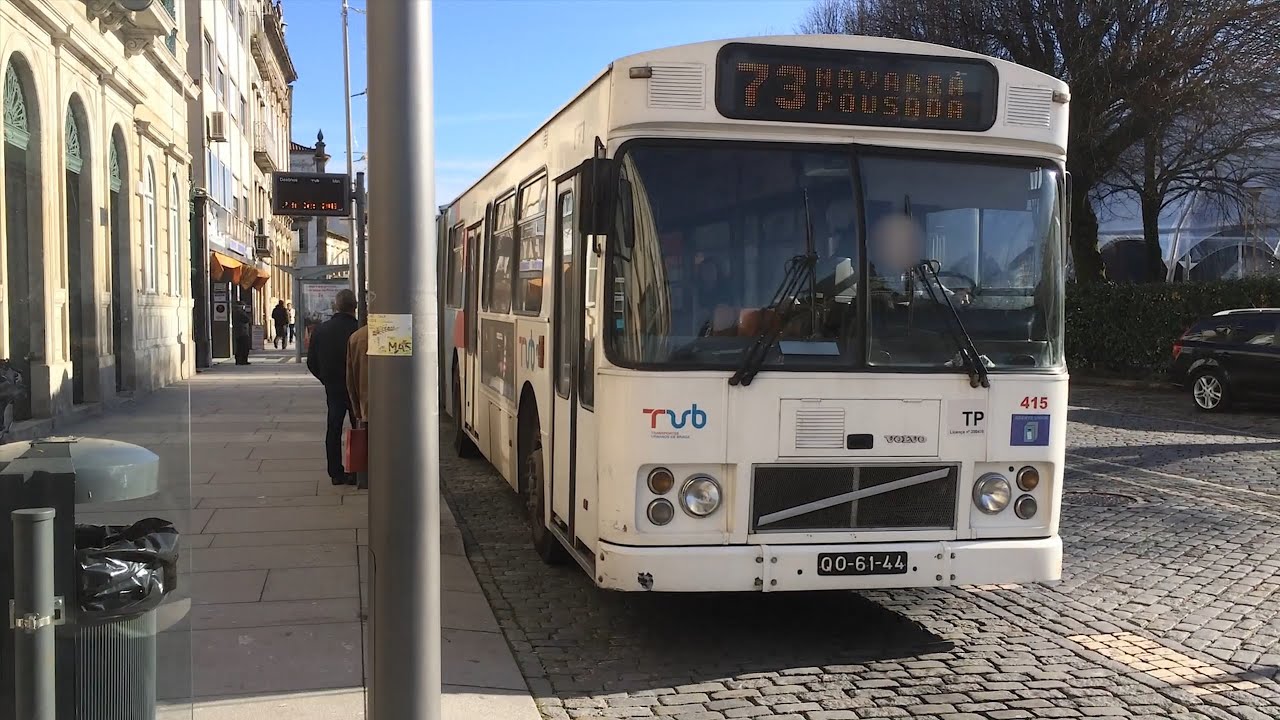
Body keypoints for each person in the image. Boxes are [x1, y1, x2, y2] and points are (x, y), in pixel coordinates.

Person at [307, 289, 360, 485]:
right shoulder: (359, 329)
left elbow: (311, 361)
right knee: (360, 427)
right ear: (354, 307)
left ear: (336, 306)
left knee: (334, 428)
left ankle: (336, 472)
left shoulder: (322, 329)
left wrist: (325, 379)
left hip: (334, 386)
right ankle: (360, 469)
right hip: (356, 386)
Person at [346, 323, 370, 490]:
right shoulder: (404, 330)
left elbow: (351, 379)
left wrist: (357, 410)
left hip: (367, 407)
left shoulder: (356, 337)